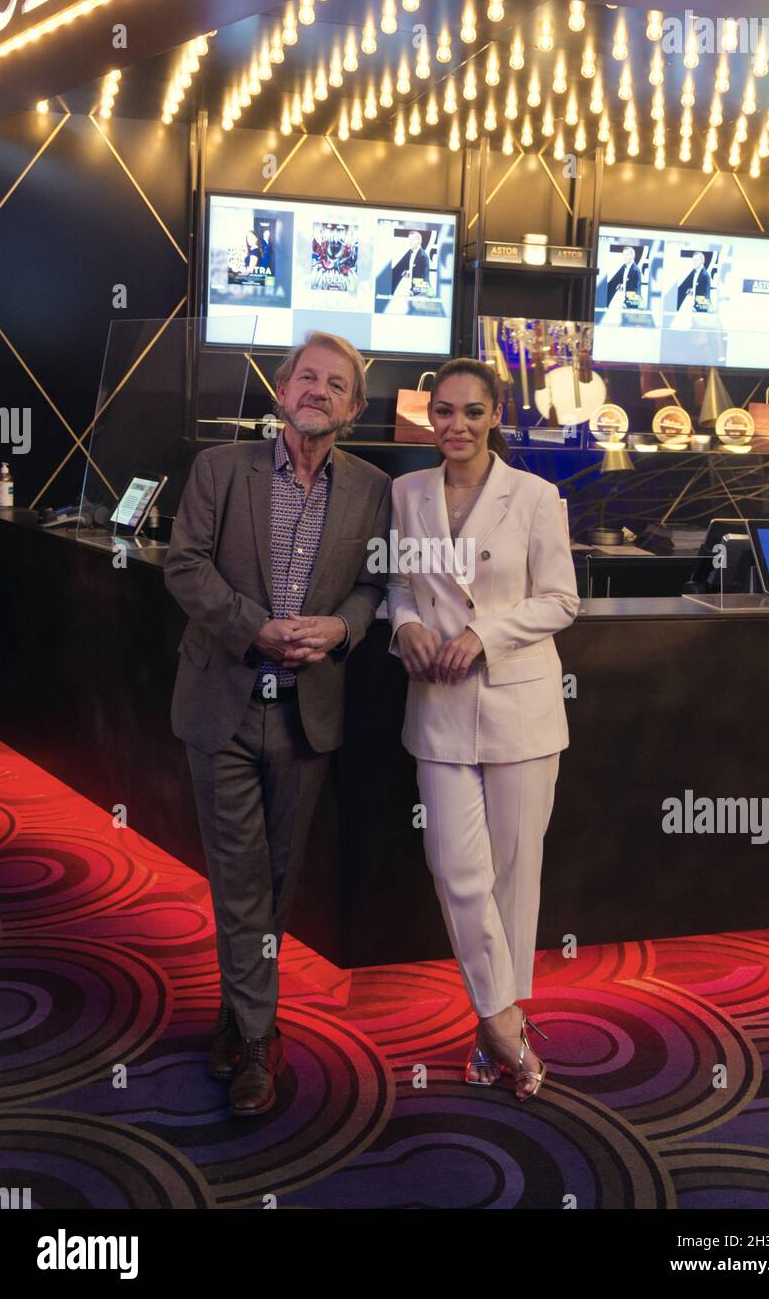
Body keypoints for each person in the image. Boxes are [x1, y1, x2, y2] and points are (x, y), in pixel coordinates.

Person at [164, 332, 390, 1117]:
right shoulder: (220, 470)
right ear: (282, 388)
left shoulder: (371, 488)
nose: (318, 390)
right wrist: (257, 627)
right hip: (222, 700)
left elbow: (371, 585)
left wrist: (340, 630)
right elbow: (183, 563)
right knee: (240, 872)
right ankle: (261, 1041)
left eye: (337, 384)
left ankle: (237, 1013)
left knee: (280, 877)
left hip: (307, 711)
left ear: (354, 408)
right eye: (307, 376)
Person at [387, 357, 580, 1101]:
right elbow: (402, 584)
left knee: (510, 879)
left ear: (494, 415)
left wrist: (485, 634)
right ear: (427, 416)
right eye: (442, 411)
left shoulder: (535, 496)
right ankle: (504, 1023)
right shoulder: (407, 493)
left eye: (471, 412)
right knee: (454, 869)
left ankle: (490, 1024)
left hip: (520, 709)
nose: (455, 426)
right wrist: (403, 625)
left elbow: (563, 600)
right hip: (436, 707)